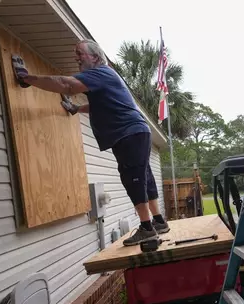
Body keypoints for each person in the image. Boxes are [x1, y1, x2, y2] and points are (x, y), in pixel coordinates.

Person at [13, 40, 169, 246]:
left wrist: (27, 78)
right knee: (143, 176)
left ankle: (147, 228)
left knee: (133, 177)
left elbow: (66, 85)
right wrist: (77, 109)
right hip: (135, 132)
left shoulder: (101, 73)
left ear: (95, 57)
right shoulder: (104, 78)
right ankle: (158, 221)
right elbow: (100, 105)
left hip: (128, 133)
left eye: (80, 53)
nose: (76, 57)